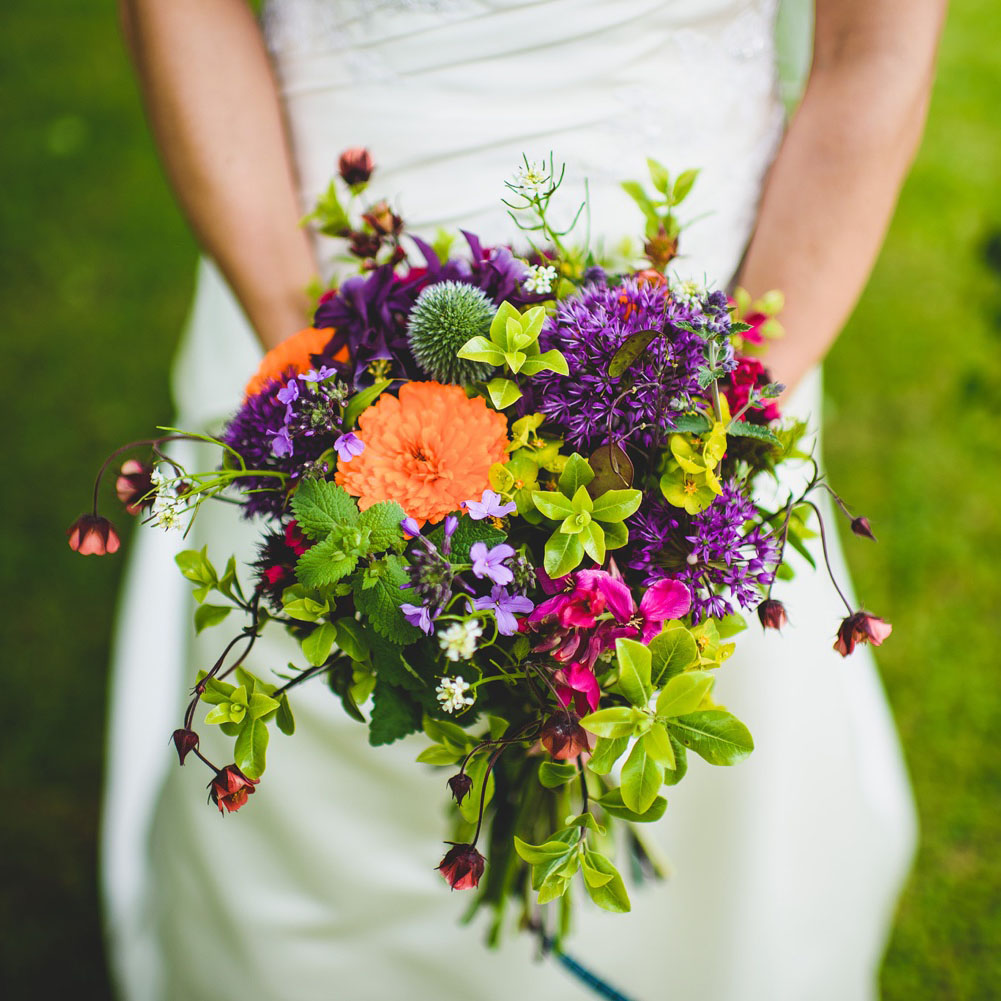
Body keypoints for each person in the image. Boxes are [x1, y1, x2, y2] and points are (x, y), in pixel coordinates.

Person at [103, 1, 942, 998]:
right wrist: (319, 373)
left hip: (703, 323)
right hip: (314, 281)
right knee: (327, 698)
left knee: (685, 722)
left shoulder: (706, 416)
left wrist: (705, 436)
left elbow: (876, 47)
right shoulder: (319, 361)